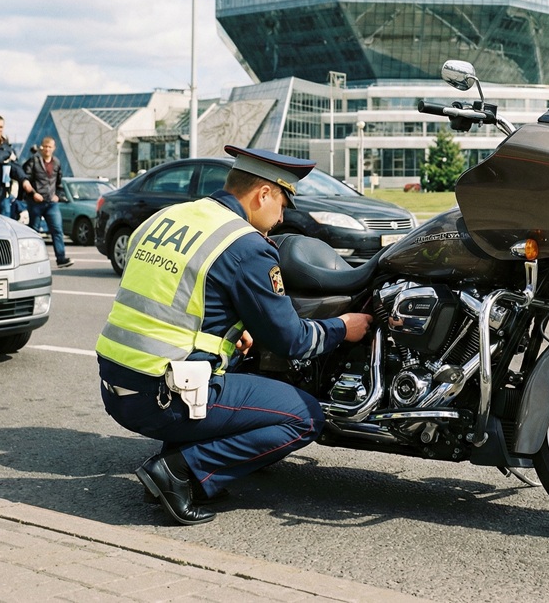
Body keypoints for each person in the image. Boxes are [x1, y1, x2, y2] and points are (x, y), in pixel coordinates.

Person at [96, 145, 372, 526]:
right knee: (306, 416)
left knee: (237, 362)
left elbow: (171, 300)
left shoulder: (166, 218)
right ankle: (179, 471)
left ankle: (173, 464)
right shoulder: (245, 245)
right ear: (263, 194)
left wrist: (229, 333)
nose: (281, 218)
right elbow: (292, 341)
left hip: (115, 386)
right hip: (161, 396)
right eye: (282, 204)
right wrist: (344, 327)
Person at [22, 137, 73, 268]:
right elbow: (25, 178)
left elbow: (59, 183)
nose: (47, 149)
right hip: (36, 202)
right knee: (33, 231)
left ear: (54, 148)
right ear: (41, 147)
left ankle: (61, 258)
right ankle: (30, 260)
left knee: (57, 230)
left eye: (50, 147)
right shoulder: (34, 161)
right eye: (45, 146)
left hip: (51, 203)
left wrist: (58, 196)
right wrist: (33, 194)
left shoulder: (56, 162)